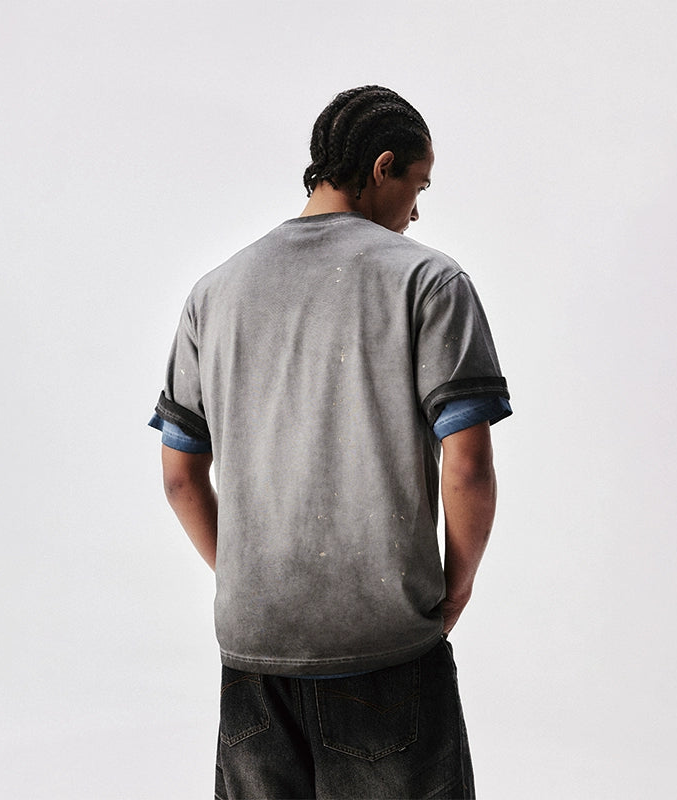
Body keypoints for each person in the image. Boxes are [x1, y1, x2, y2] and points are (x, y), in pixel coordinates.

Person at [149, 85, 511, 799]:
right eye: (418, 185)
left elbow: (179, 476)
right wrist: (456, 586)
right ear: (383, 167)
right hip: (385, 643)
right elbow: (467, 466)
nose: (417, 211)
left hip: (255, 650)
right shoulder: (429, 281)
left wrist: (249, 578)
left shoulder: (214, 293)